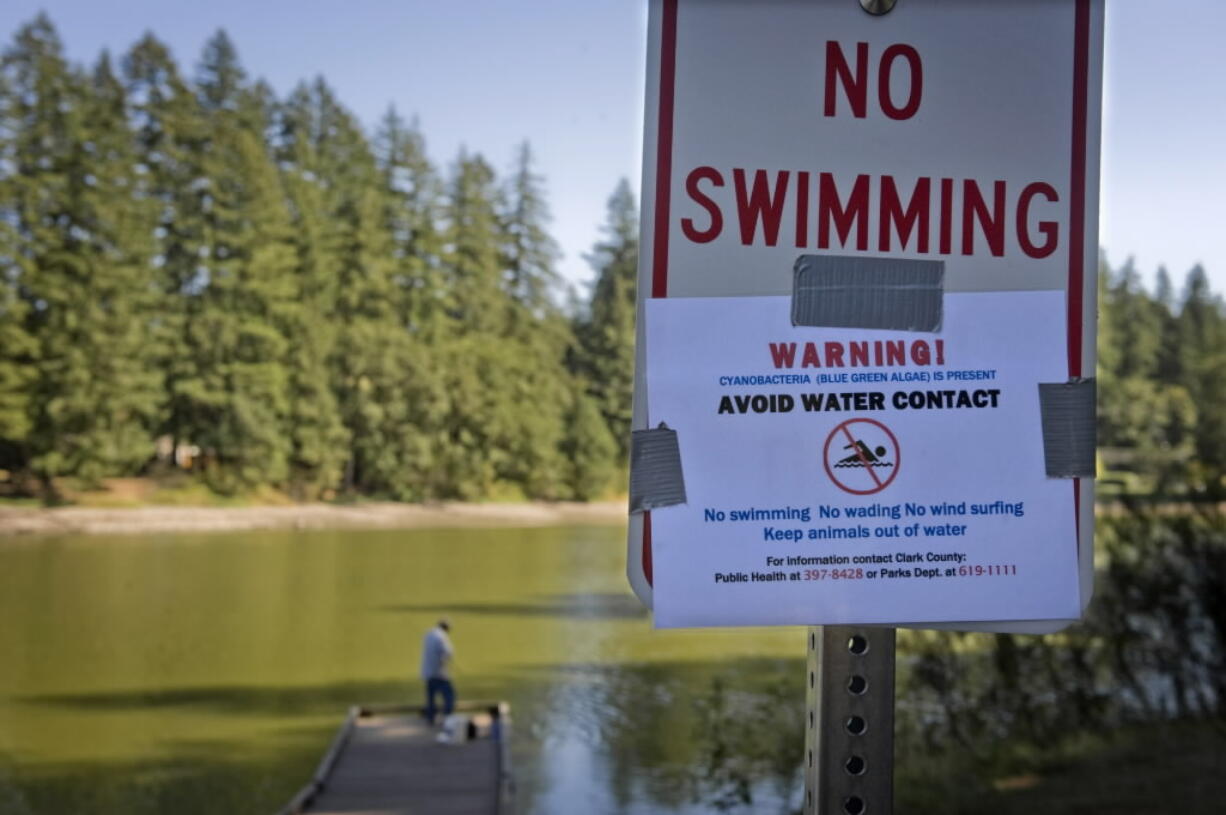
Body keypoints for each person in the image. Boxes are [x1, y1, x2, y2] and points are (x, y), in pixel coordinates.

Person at [421, 619, 455, 725]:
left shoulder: (428, 634)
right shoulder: (441, 637)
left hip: (427, 672)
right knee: (449, 695)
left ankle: (431, 719)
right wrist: (448, 657)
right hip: (439, 673)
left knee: (431, 697)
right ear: (446, 628)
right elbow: (448, 652)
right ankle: (447, 718)